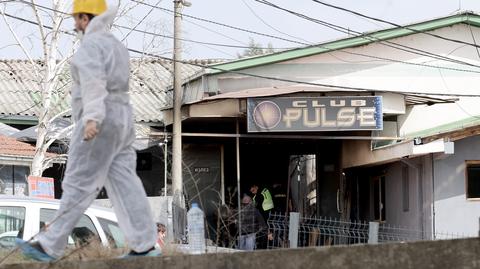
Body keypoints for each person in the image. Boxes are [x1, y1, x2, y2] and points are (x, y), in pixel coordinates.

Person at [17, 0, 158, 261]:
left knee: (78, 182)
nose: (75, 24)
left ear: (84, 18)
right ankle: (145, 244)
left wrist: (93, 118)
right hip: (124, 116)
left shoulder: (90, 46)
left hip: (100, 117)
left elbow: (94, 82)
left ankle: (49, 245)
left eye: (76, 18)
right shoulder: (116, 45)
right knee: (126, 183)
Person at [250, 184, 274, 249]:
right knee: (268, 228)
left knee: (265, 229)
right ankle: (270, 241)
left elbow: (256, 206)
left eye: (253, 190)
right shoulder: (264, 190)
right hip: (269, 211)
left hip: (264, 212)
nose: (251, 191)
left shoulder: (259, 195)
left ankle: (266, 244)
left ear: (256, 187)